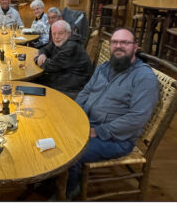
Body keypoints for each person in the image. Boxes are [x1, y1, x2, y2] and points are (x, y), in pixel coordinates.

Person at [66, 28, 159, 200]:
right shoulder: (105, 67)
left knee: (70, 152)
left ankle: (69, 190)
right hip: (87, 123)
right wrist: (76, 117)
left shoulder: (144, 78)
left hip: (115, 139)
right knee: (52, 131)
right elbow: (85, 92)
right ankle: (57, 175)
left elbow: (137, 118)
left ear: (135, 47)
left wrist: (98, 131)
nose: (119, 46)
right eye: (115, 42)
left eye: (125, 43)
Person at [34, 20, 92, 99]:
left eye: (60, 33)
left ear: (69, 33)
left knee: (33, 89)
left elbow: (50, 66)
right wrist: (42, 54)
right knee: (33, 83)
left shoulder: (71, 46)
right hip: (62, 79)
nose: (56, 37)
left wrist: (37, 58)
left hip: (72, 89)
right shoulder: (61, 41)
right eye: (54, 34)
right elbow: (45, 49)